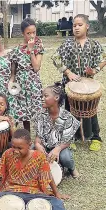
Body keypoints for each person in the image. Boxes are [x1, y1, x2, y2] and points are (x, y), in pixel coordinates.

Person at [52, 14, 105, 151]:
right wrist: (68, 72)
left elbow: (103, 59)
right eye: (74, 25)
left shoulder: (94, 44)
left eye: (80, 25)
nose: (76, 28)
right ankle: (71, 138)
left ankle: (95, 137)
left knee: (91, 111)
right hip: (70, 86)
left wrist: (94, 70)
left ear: (87, 26)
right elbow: (55, 58)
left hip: (87, 87)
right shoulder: (67, 44)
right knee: (69, 111)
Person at [0, 129, 69, 210]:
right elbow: (2, 174)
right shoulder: (7, 154)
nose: (16, 151)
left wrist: (57, 194)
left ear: (29, 145)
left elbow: (47, 176)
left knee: (58, 203)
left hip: (34, 193)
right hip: (11, 192)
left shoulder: (39, 156)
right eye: (13, 147)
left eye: (19, 148)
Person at [33, 83, 80, 178]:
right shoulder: (39, 115)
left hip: (61, 147)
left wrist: (57, 150)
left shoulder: (67, 117)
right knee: (30, 150)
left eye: (45, 96)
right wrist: (38, 145)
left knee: (65, 158)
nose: (42, 98)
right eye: (42, 96)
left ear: (56, 98)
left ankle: (72, 168)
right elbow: (38, 137)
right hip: (45, 146)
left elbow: (67, 141)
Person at [9, 18, 44, 132]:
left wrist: (31, 50)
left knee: (36, 110)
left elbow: (36, 67)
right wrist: (12, 80)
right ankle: (26, 136)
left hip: (33, 82)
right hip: (20, 83)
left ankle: (40, 136)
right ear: (23, 33)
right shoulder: (17, 49)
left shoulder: (38, 46)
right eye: (28, 33)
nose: (32, 35)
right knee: (23, 110)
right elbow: (13, 66)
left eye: (34, 32)